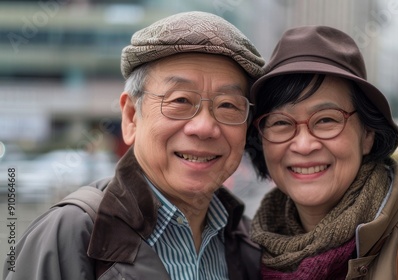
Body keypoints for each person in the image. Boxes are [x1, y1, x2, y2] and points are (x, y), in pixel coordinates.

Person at [4, 11, 265, 280]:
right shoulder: (71, 235)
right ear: (131, 117)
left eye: (228, 105)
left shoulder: (247, 245)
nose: (204, 127)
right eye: (180, 101)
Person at [245, 26, 398, 279]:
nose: (304, 145)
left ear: (367, 135)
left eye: (326, 120)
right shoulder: (245, 253)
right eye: (280, 123)